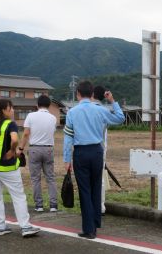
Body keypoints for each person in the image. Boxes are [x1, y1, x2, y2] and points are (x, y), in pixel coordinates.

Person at [63, 81, 125, 239]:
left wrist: (66, 159)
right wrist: (112, 101)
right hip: (97, 151)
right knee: (96, 188)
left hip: (81, 153)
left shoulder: (72, 112)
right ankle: (96, 223)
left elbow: (68, 138)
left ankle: (89, 229)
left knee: (85, 190)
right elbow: (120, 118)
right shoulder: (100, 110)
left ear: (77, 94)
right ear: (92, 94)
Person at [0, 99, 40, 237]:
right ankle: (25, 227)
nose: (12, 110)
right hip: (8, 168)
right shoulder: (10, 124)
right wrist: (12, 151)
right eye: (10, 108)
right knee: (18, 196)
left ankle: (0, 227)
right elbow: (14, 139)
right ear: (4, 110)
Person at [17, 95, 58, 213]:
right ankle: (53, 205)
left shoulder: (30, 116)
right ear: (49, 105)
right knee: (50, 177)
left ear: (37, 105)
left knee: (35, 178)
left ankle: (39, 205)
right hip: (49, 149)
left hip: (35, 149)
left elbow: (26, 134)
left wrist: (20, 148)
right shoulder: (53, 118)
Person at [91, 85, 108, 215]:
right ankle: (100, 205)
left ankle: (90, 205)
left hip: (88, 148)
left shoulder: (87, 110)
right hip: (101, 148)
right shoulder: (104, 110)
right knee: (99, 178)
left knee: (87, 178)